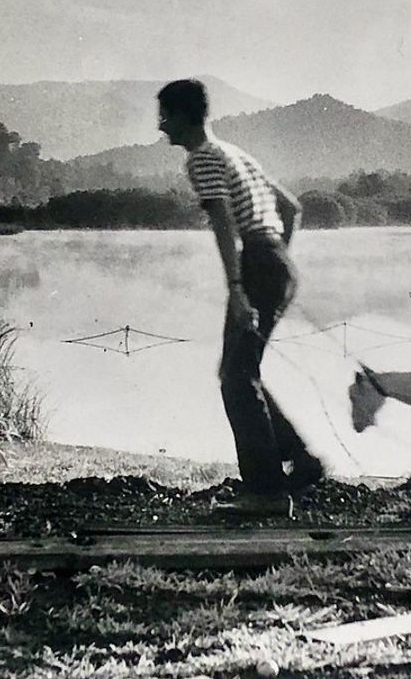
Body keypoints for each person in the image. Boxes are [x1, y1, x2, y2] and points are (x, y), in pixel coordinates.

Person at [157, 77, 324, 516]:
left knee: (235, 378)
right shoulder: (238, 155)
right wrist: (275, 258)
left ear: (183, 116)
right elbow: (291, 209)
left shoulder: (203, 159)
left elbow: (225, 227)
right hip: (276, 263)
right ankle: (302, 462)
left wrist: (239, 287)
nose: (161, 127)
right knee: (240, 371)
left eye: (165, 116)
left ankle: (266, 493)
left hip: (259, 265)